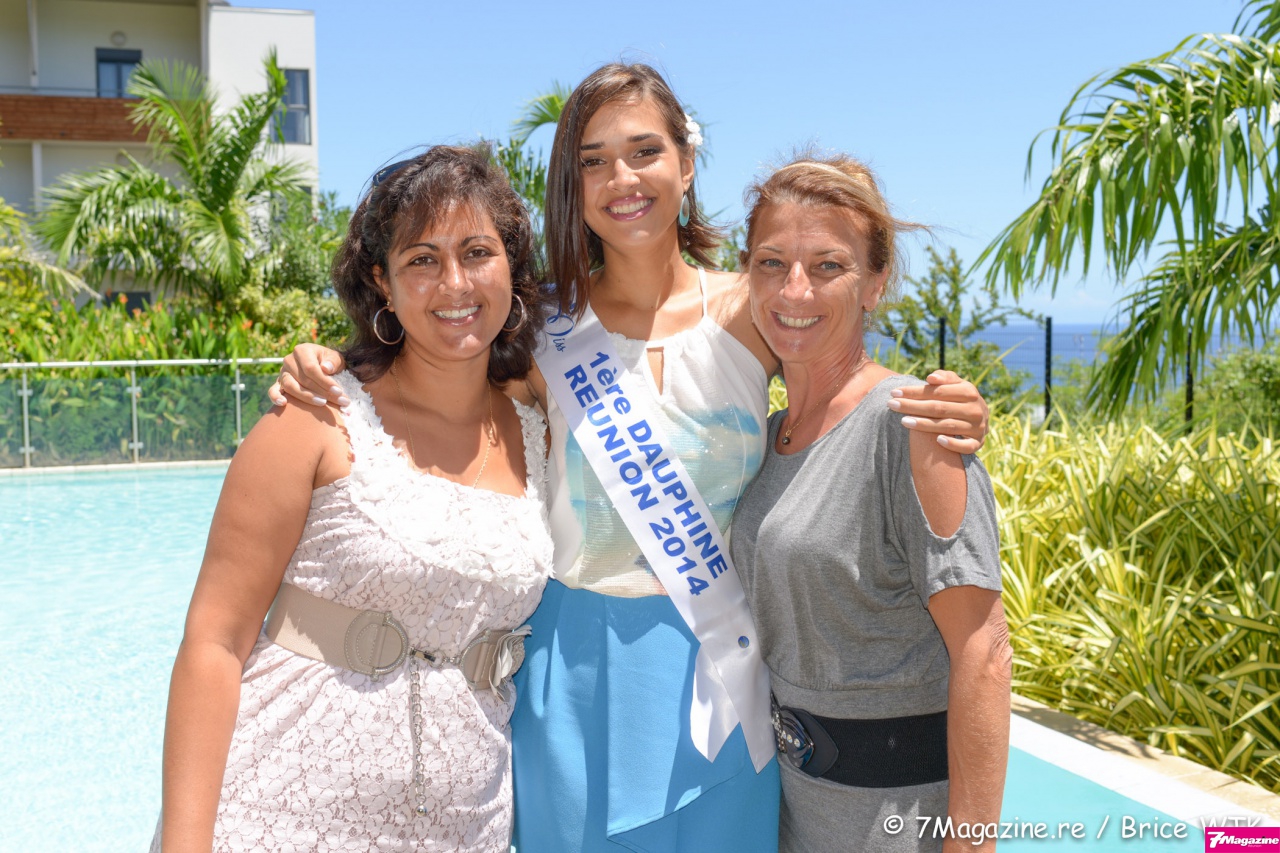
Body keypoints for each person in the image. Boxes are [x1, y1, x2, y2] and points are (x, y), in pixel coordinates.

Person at [270, 64, 991, 853]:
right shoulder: (538, 327)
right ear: (571, 185)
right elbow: (429, 383)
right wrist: (331, 365)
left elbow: (838, 395)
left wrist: (945, 402)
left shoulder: (755, 307)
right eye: (593, 160)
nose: (622, 178)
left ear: (687, 162)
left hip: (724, 672)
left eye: (645, 150)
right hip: (572, 674)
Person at [151, 145, 555, 853]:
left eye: (477, 252)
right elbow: (214, 642)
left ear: (512, 269)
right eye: (422, 259)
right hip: (278, 814)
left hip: (466, 825)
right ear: (383, 283)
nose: (454, 282)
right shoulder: (316, 417)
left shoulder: (541, 428)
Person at [729, 154, 1011, 853]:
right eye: (771, 263)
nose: (795, 288)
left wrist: (971, 845)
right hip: (788, 812)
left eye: (828, 265)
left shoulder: (914, 427)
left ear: (875, 283)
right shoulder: (766, 435)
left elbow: (984, 651)